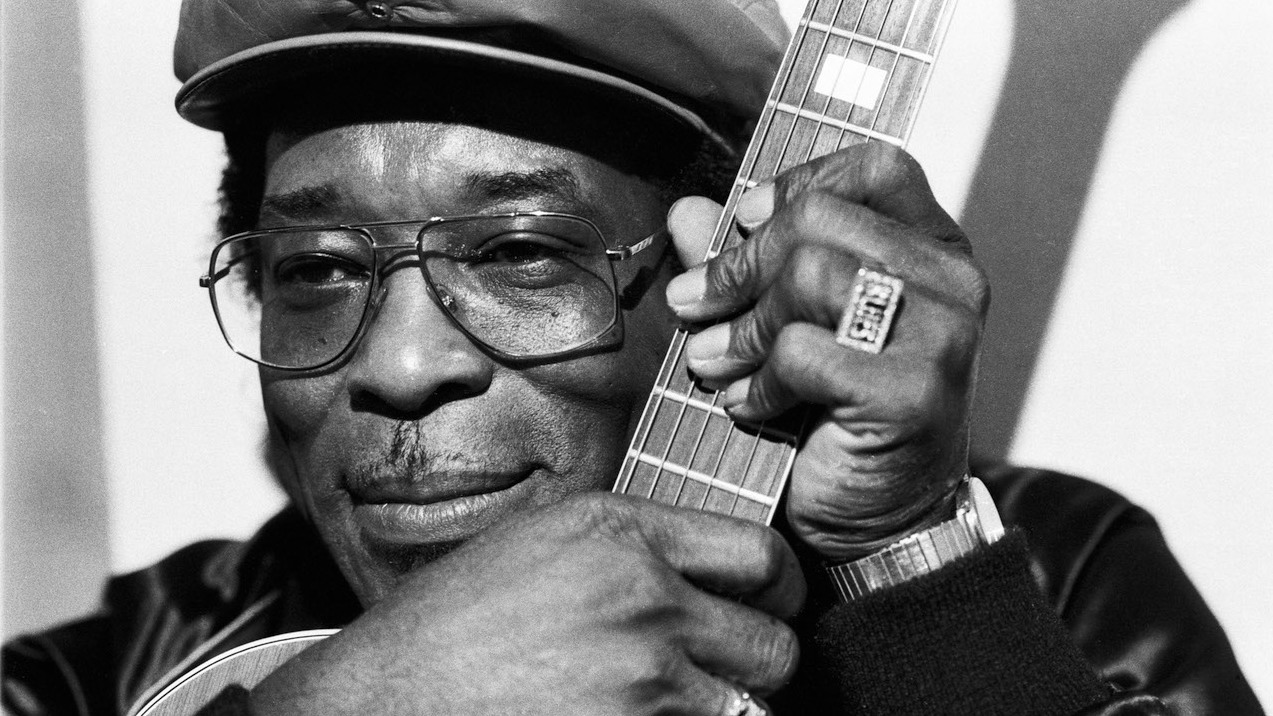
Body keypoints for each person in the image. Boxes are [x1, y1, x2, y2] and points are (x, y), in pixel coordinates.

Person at [2, 0, 1263, 714]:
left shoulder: (1051, 581)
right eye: (317, 268)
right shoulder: (99, 676)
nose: (396, 363)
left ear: (717, 274)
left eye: (517, 253)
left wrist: (916, 578)